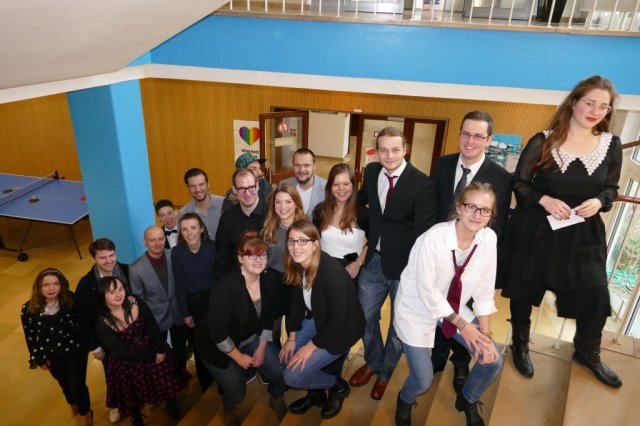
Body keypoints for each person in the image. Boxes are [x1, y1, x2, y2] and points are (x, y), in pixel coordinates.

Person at [500, 75, 623, 388]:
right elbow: (519, 182)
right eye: (589, 103)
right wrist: (544, 199)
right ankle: (520, 345)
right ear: (573, 102)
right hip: (536, 231)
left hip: (583, 236)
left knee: (595, 293)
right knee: (524, 291)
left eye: (603, 106)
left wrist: (599, 201)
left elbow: (611, 188)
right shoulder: (543, 141)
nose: (595, 111)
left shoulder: (611, 145)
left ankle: (587, 353)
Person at [394, 182, 503, 426]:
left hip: (453, 305)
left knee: (493, 360)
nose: (477, 214)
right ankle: (405, 398)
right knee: (423, 380)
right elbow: (428, 292)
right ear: (459, 207)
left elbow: (485, 291)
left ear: (491, 215)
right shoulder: (433, 239)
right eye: (471, 206)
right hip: (416, 308)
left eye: (485, 210)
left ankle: (468, 398)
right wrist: (464, 326)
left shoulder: (488, 239)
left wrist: (484, 337)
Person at [349, 127, 437, 400]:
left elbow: (424, 233)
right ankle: (373, 362)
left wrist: (420, 272)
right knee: (363, 317)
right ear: (376, 151)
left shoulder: (422, 184)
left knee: (399, 325)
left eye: (395, 150)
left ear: (405, 149)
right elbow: (361, 201)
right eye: (383, 150)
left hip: (405, 268)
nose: (389, 155)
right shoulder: (372, 171)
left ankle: (385, 372)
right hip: (373, 261)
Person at [430, 111, 512, 392]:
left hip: (470, 261)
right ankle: (436, 358)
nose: (470, 141)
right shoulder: (443, 164)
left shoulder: (501, 177)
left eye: (478, 136)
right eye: (465, 134)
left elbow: (496, 224)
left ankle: (460, 363)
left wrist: (467, 251)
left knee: (464, 308)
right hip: (438, 256)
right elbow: (433, 209)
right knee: (440, 311)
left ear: (489, 140)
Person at [195, 232, 287, 425]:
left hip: (250, 337)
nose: (258, 260)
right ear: (240, 258)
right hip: (216, 347)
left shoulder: (268, 280)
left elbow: (269, 316)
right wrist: (238, 357)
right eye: (252, 256)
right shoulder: (225, 287)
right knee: (237, 390)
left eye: (262, 255)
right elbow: (218, 334)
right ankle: (229, 407)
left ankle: (276, 396)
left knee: (280, 372)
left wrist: (262, 346)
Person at [280, 220, 365, 419]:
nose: (296, 246)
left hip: (341, 331)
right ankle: (316, 395)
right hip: (319, 319)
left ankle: (336, 385)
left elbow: (338, 321)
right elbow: (296, 303)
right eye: (291, 241)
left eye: (303, 241)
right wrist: (292, 338)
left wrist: (310, 347)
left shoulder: (331, 274)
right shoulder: (299, 263)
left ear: (315, 244)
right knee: (285, 361)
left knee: (292, 376)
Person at [96, 276, 190, 425]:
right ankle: (137, 417)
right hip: (128, 361)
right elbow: (122, 351)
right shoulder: (102, 322)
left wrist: (160, 348)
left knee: (165, 381)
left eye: (120, 289)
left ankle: (172, 404)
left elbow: (152, 324)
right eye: (112, 292)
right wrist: (154, 355)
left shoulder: (134, 300)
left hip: (150, 346)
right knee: (133, 394)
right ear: (103, 296)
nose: (119, 294)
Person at [21, 268, 92, 426]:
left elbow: (84, 323)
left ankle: (85, 412)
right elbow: (30, 337)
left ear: (62, 285)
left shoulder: (70, 300)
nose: (51, 288)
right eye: (46, 284)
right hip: (52, 355)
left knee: (77, 386)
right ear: (38, 287)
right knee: (64, 384)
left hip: (76, 351)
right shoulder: (28, 310)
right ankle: (73, 405)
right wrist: (39, 358)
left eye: (56, 283)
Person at [75, 238, 129, 424]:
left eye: (111, 255)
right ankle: (116, 404)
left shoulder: (128, 271)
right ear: (93, 259)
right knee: (112, 373)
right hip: (106, 339)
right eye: (102, 257)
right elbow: (82, 319)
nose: (108, 261)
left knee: (137, 367)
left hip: (131, 333)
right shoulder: (85, 285)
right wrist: (94, 346)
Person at [129, 226, 188, 369]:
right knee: (159, 356)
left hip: (178, 314)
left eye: (161, 239)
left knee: (181, 350)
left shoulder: (174, 255)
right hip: (155, 320)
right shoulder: (135, 269)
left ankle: (181, 373)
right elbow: (139, 300)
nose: (158, 243)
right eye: (152, 240)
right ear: (144, 242)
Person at [172, 213, 216, 391]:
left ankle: (220, 376)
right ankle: (205, 381)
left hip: (213, 300)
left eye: (193, 227)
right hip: (193, 304)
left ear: (201, 228)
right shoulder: (177, 253)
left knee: (217, 338)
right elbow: (179, 283)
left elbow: (219, 277)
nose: (189, 232)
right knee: (198, 344)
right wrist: (185, 312)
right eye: (184, 229)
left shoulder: (212, 247)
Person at [262, 182, 307, 342]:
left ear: (296, 203)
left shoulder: (305, 228)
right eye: (278, 202)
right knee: (271, 333)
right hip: (274, 283)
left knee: (293, 332)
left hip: (297, 283)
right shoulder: (269, 226)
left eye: (288, 201)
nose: (282, 207)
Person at [312, 163, 368, 279]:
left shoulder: (363, 214)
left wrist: (358, 263)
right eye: (336, 184)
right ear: (330, 187)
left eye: (346, 184)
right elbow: (314, 240)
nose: (341, 189)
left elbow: (373, 242)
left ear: (353, 185)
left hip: (350, 271)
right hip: (324, 268)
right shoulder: (320, 211)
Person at [214, 168, 268, 279]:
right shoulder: (227, 218)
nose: (247, 193)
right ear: (234, 189)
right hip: (237, 281)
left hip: (268, 280)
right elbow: (221, 259)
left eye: (251, 187)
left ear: (257, 185)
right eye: (242, 189)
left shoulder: (272, 213)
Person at [180, 168, 224, 241]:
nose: (197, 189)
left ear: (208, 184)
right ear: (188, 188)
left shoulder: (224, 204)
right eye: (193, 186)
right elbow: (183, 241)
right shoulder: (184, 213)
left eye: (201, 184)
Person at [281, 148, 327, 217]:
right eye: (297, 165)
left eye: (306, 165)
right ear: (293, 165)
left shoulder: (327, 187)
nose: (302, 170)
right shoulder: (283, 185)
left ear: (314, 166)